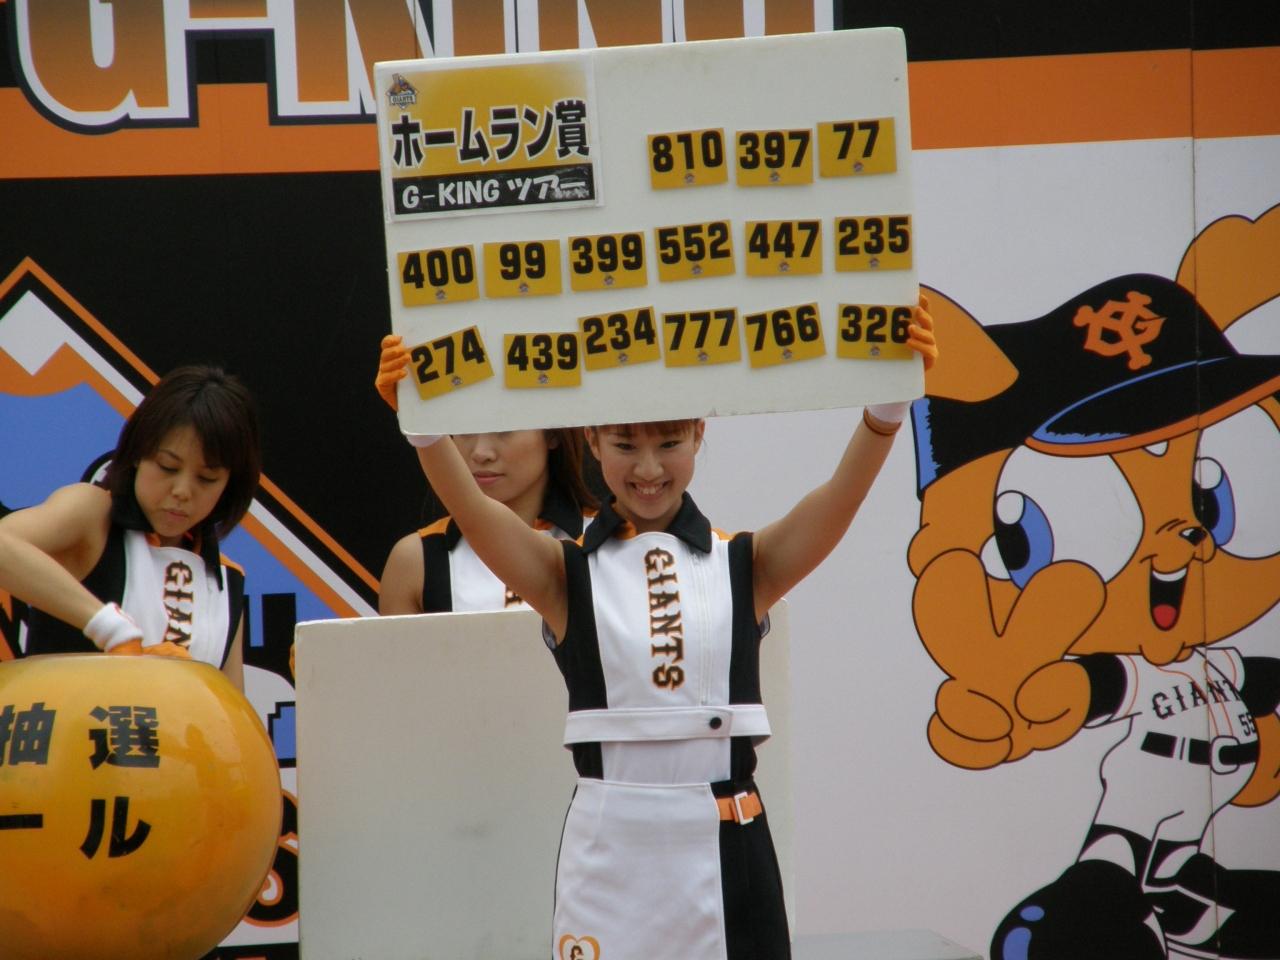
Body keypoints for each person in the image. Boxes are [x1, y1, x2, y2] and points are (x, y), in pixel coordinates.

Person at [404, 300, 937, 959]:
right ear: (591, 440)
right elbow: (470, 507)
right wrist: (421, 424)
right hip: (608, 855)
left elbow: (839, 499)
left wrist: (886, 408)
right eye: (626, 445)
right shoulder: (562, 573)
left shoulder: (746, 564)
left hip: (728, 843)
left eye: (669, 443)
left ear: (699, 435)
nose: (649, 469)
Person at [0, 366, 261, 690]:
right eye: (167, 466)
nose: (182, 491)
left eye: (207, 478)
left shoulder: (224, 578)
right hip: (69, 720)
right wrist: (107, 626)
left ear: (229, 483)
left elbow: (230, 713)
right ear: (138, 453)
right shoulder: (93, 515)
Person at [374, 334, 596, 614]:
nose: (481, 452)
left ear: (553, 433)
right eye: (464, 428)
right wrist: (417, 416)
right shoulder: (414, 561)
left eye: (503, 428)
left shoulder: (610, 542)